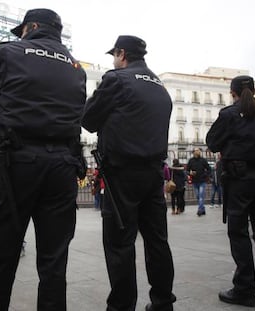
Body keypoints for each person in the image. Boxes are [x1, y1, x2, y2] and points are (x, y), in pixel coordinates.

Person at [0, 8, 86, 310]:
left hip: (17, 163)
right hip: (63, 166)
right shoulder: (77, 67)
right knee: (54, 261)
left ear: (32, 26)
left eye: (22, 29)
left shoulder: (8, 52)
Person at [82, 35, 176, 311]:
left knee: (120, 243)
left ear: (122, 54)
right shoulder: (160, 86)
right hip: (153, 173)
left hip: (122, 175)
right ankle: (162, 303)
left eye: (114, 55)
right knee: (157, 241)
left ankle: (122, 307)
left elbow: (88, 120)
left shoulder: (117, 79)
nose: (113, 60)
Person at [206, 75, 255, 307]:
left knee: (238, 232)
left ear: (233, 93)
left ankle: (244, 289)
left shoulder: (230, 114)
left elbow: (212, 141)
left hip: (239, 180)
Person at [186, 148, 211, 216]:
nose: (198, 151)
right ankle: (203, 209)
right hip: (195, 181)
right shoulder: (191, 161)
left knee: (201, 196)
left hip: (202, 181)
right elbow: (187, 170)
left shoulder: (203, 160)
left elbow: (209, 169)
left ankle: (199, 210)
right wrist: (190, 173)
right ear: (193, 152)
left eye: (199, 150)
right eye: (197, 150)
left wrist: (205, 175)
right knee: (198, 196)